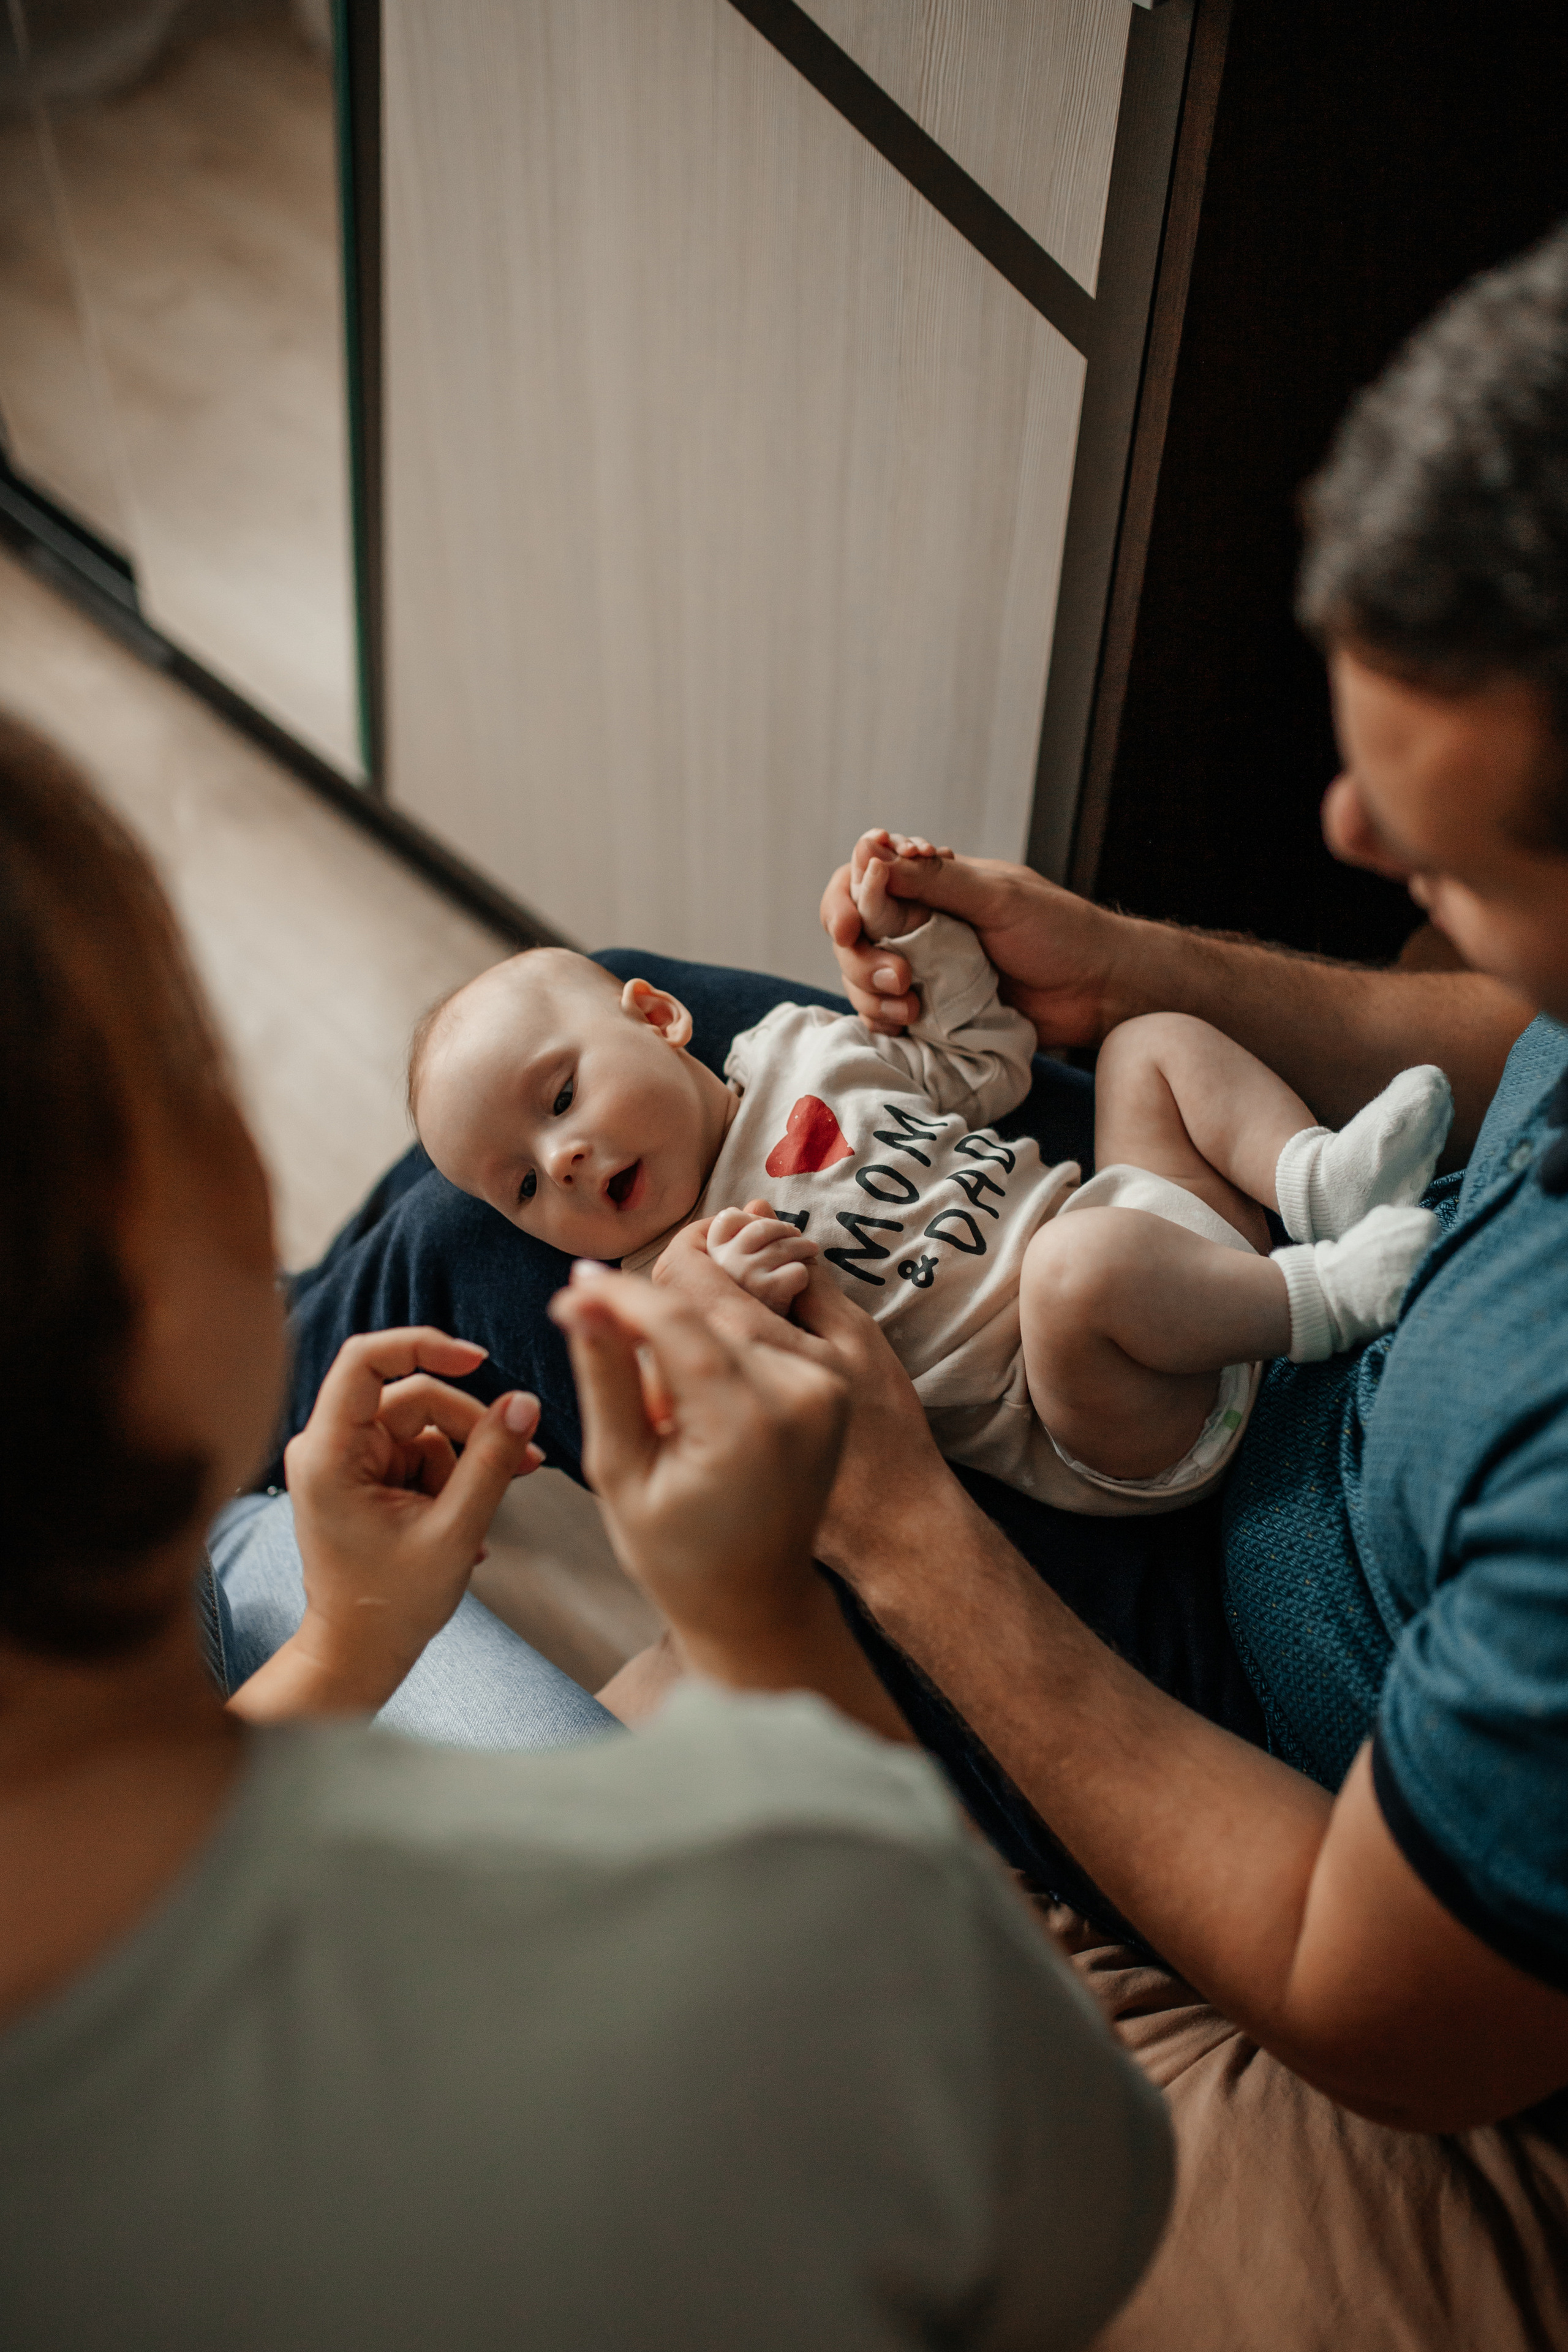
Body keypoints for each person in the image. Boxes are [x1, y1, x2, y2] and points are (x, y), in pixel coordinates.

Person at [277, 225, 1568, 2345]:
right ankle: (226, 1444)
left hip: (1186, 1531)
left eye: (1452, 836)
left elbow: (1388, 2010)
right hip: (1178, 1257)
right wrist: (1133, 976)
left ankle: (188, 1513)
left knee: (479, 1225)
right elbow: (1522, 1060)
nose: (1334, 821)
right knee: (523, 1132)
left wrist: (884, 1522)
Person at [0, 722, 1173, 2346]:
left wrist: (346, 1646)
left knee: (261, 1546)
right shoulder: (765, 1900)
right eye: (195, 1076)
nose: (555, 1172)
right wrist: (766, 1624)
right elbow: (1087, 2206)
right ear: (189, 1191)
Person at [410, 824, 1448, 1516]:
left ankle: (1319, 1179)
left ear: (658, 1015)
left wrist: (924, 944)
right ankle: (1325, 1298)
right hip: (1105, 1403)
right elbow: (736, 1462)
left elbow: (983, 1070)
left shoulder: (795, 1045)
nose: (568, 1161)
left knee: (1149, 1046)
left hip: (1147, 1228)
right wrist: (712, 1336)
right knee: (1074, 1270)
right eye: (525, 1188)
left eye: (559, 1101)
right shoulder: (673, 1281)